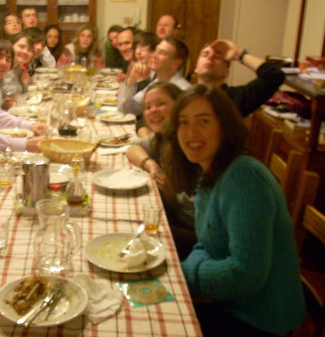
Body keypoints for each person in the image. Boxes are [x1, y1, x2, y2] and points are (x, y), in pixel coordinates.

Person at [162, 84, 305, 336]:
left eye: (203, 121)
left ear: (225, 126)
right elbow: (204, 245)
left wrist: (180, 278)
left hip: (261, 320)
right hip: (231, 303)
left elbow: (245, 274)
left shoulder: (244, 177)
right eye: (183, 122)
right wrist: (181, 274)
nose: (190, 132)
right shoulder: (209, 171)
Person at [125, 81, 195, 258]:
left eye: (161, 104)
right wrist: (150, 164)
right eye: (148, 107)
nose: (153, 110)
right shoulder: (162, 138)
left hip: (192, 234)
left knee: (130, 238)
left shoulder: (190, 144)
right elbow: (132, 149)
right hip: (173, 217)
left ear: (179, 106)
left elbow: (199, 216)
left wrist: (174, 197)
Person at [195, 39, 285, 117]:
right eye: (205, 54)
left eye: (217, 56)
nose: (210, 57)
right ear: (196, 68)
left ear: (226, 72)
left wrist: (238, 54)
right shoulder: (185, 96)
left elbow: (273, 75)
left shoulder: (236, 98)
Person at [118, 36, 190, 118]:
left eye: (162, 53)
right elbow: (128, 109)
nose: (154, 56)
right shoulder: (157, 81)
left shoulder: (182, 91)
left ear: (176, 63)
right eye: (156, 50)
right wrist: (131, 80)